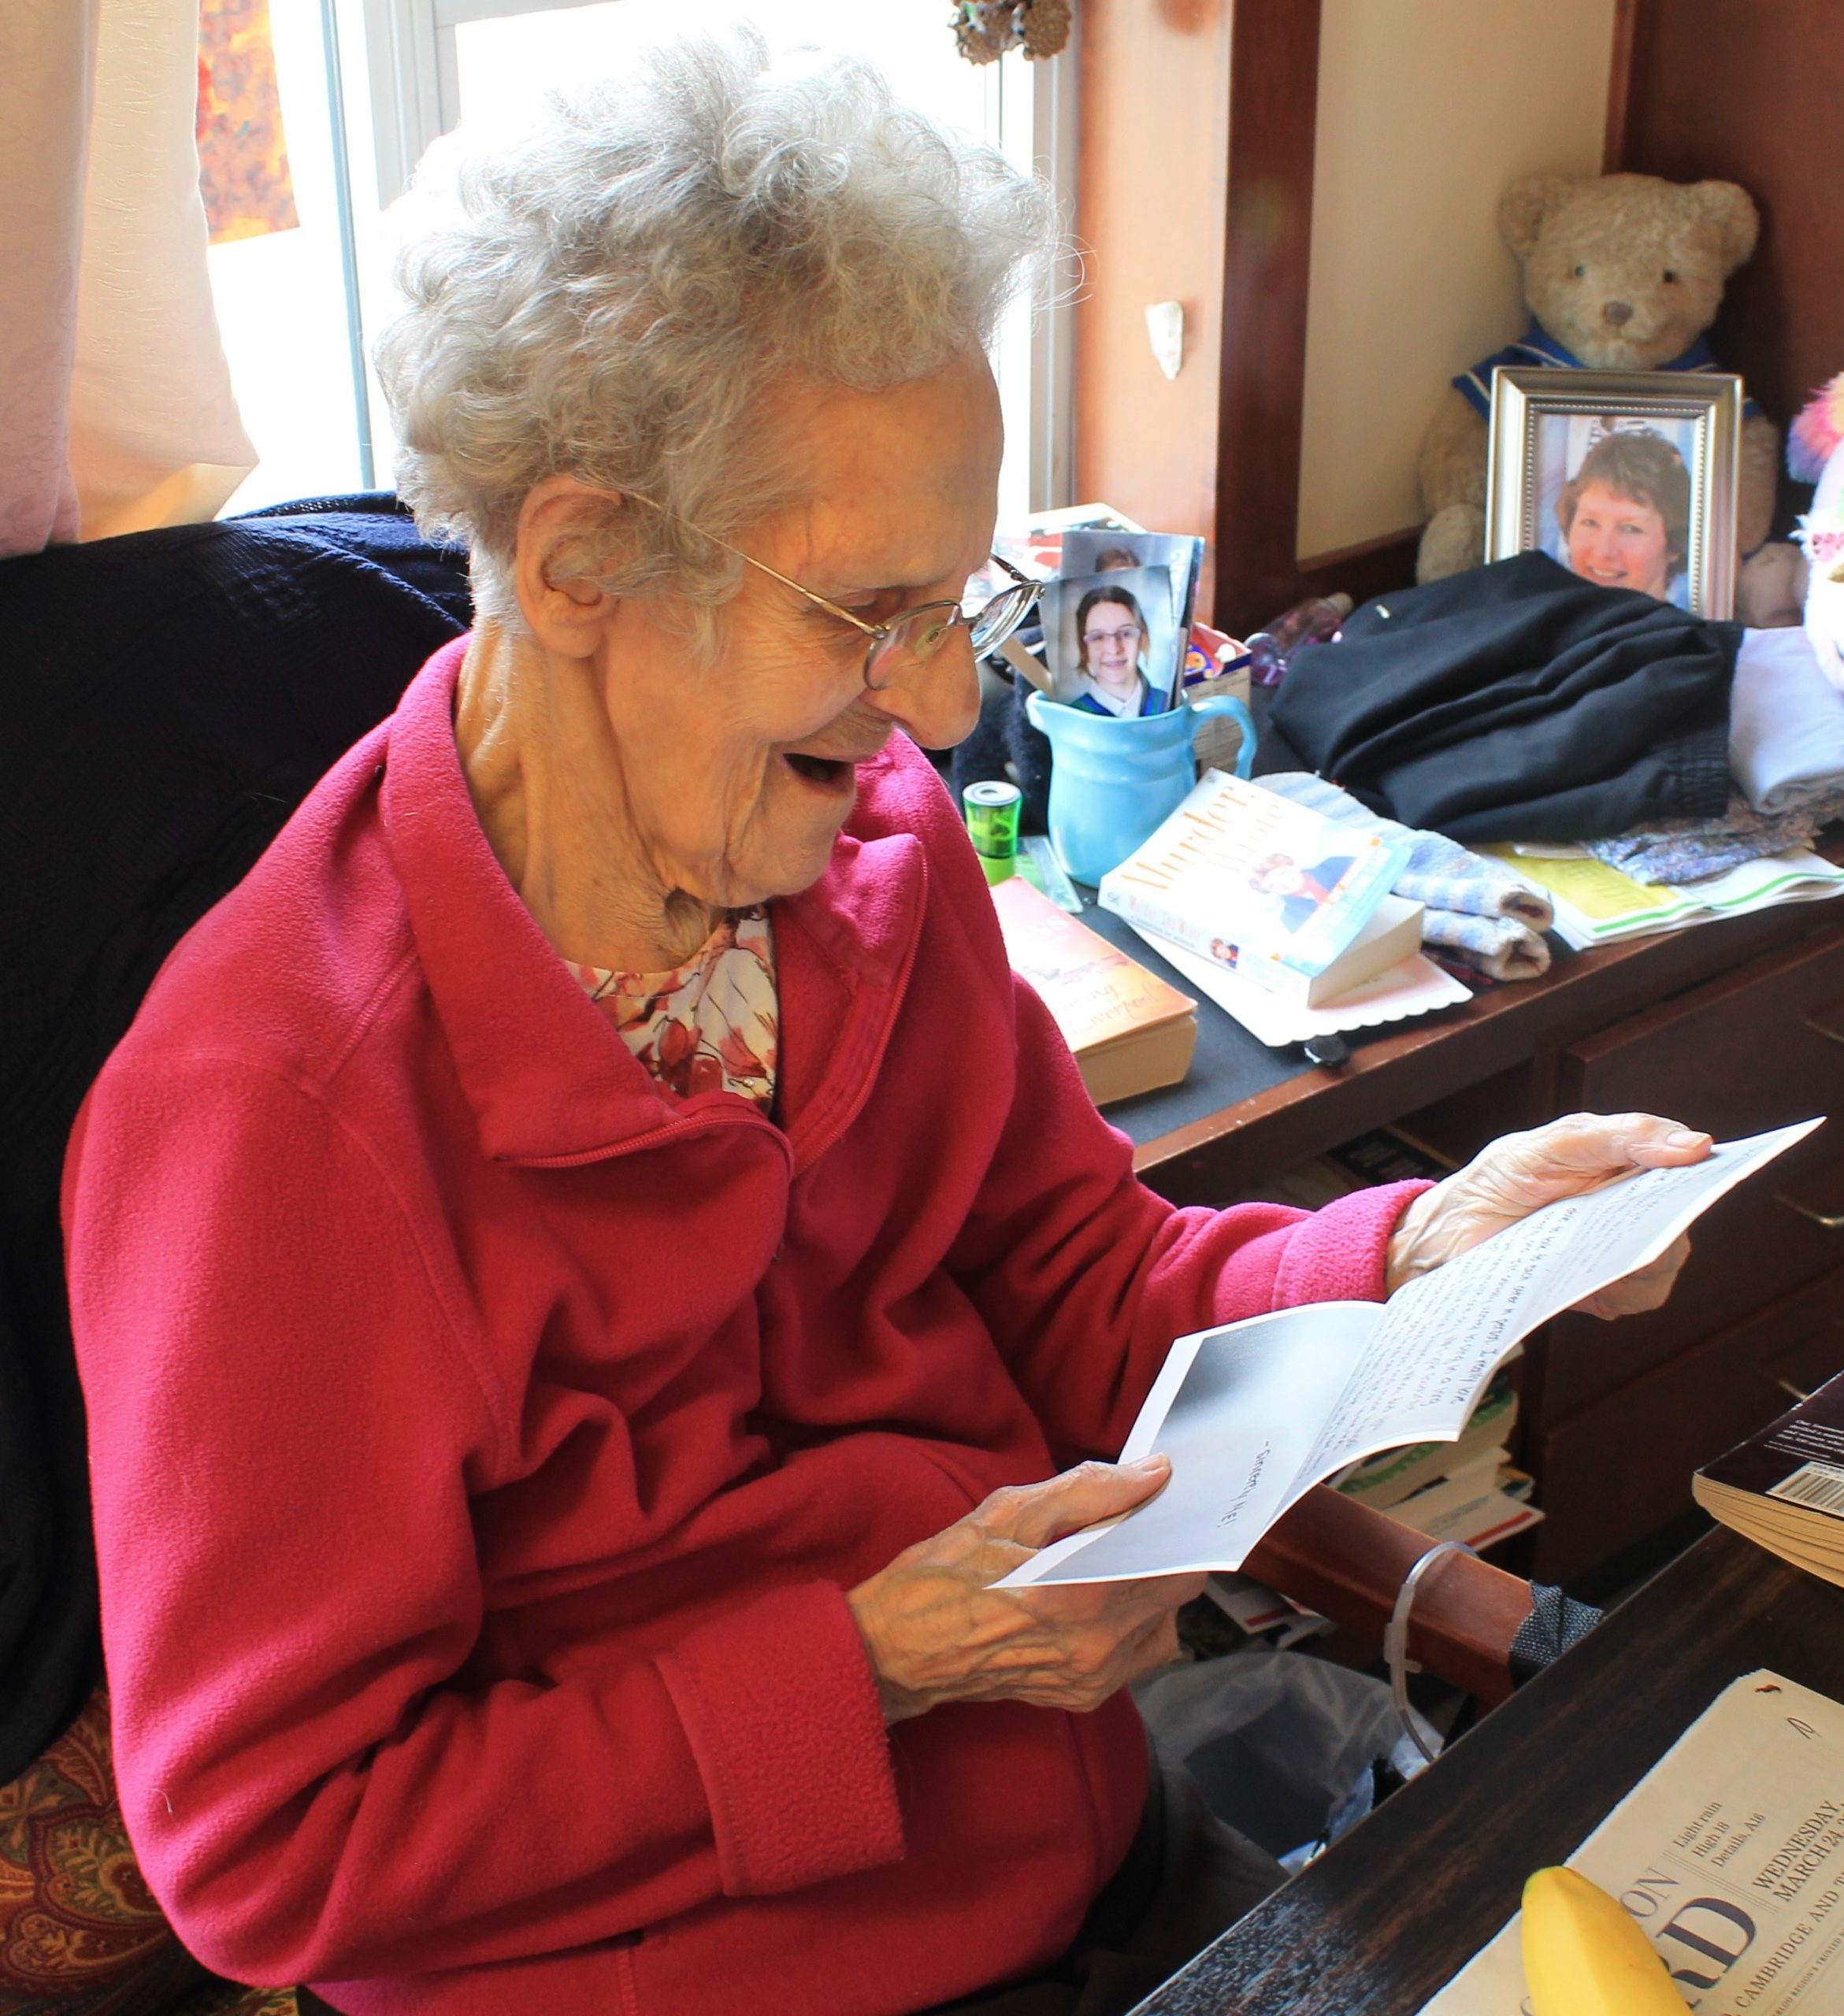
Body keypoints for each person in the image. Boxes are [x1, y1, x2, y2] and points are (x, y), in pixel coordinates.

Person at [62, 43, 1709, 2016]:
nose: (936, 708)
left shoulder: (874, 860)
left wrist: (1418, 1251)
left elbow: (1088, 1286)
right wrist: (866, 1661)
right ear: (582, 559)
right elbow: (277, 1847)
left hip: (1076, 1861)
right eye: (870, 607)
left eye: (962, 598)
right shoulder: (279, 1114)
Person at [1555, 427, 1693, 605]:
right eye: (1590, 523)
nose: (1603, 551)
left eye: (1630, 528)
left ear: (1674, 544)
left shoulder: (1685, 633)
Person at [1070, 582, 1163, 717]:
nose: (1114, 649)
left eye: (1126, 634)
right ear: (1084, 647)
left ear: (1142, 638)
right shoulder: (1072, 717)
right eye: (1098, 637)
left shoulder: (1168, 702)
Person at [1247, 851, 1356, 933]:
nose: (1283, 882)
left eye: (1282, 873)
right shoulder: (1290, 917)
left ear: (1290, 865)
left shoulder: (1335, 864)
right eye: (1273, 885)